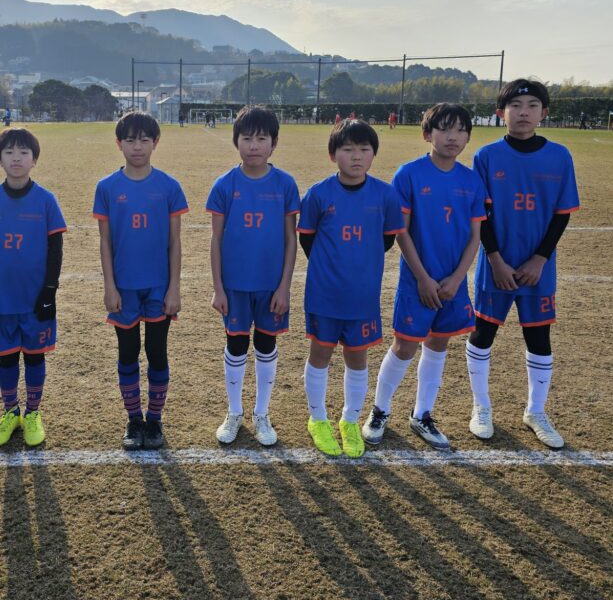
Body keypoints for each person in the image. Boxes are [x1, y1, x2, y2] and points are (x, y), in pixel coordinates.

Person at [363, 104, 486, 450]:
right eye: (444, 129)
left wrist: (457, 278)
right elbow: (401, 231)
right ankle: (379, 411)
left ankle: (422, 414)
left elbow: (475, 236)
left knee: (438, 344)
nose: (452, 137)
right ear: (427, 134)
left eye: (460, 130)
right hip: (417, 281)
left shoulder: (471, 180)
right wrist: (422, 277)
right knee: (404, 345)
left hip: (452, 282)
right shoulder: (409, 175)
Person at [467, 78, 579, 449]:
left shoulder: (559, 156)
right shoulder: (486, 156)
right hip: (495, 265)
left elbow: (562, 213)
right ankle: (481, 407)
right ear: (501, 113)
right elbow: (480, 215)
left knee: (539, 337)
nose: (523, 112)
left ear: (543, 112)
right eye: (515, 106)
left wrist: (540, 258)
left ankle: (536, 411)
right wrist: (495, 259)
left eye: (532, 105)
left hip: (538, 269)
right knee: (483, 333)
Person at [297, 120, 404, 457]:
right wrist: (332, 268)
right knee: (320, 355)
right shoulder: (318, 194)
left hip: (362, 296)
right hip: (324, 294)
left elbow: (387, 240)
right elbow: (307, 239)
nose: (356, 156)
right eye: (348, 149)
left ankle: (350, 420)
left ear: (373, 154)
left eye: (364, 149)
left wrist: (359, 265)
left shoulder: (385, 195)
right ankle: (318, 419)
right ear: (333, 155)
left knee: (357, 357)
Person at [94, 111, 188, 450]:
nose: (137, 146)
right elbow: (105, 241)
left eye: (144, 139)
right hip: (124, 288)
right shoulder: (107, 187)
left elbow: (175, 242)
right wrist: (109, 286)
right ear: (119, 143)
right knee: (128, 352)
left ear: (155, 143)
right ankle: (134, 420)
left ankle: (155, 420)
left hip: (159, 287)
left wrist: (174, 288)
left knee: (157, 352)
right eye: (130, 140)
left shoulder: (169, 186)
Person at [207, 107, 300, 446]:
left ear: (274, 143)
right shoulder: (224, 185)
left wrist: (284, 287)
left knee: (265, 344)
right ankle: (234, 412)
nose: (254, 145)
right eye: (247, 138)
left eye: (262, 138)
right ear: (236, 142)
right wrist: (218, 289)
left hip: (271, 287)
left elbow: (291, 239)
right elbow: (216, 240)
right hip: (235, 286)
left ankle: (262, 413)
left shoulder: (285, 184)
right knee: (235, 344)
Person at [0, 128, 66, 447]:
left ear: (34, 159)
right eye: (9, 152)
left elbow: (55, 249)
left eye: (24, 152)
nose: (16, 158)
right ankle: (11, 412)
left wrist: (50, 291)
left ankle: (33, 413)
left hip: (35, 298)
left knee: (35, 357)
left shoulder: (46, 200)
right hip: (1, 298)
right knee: (7, 358)